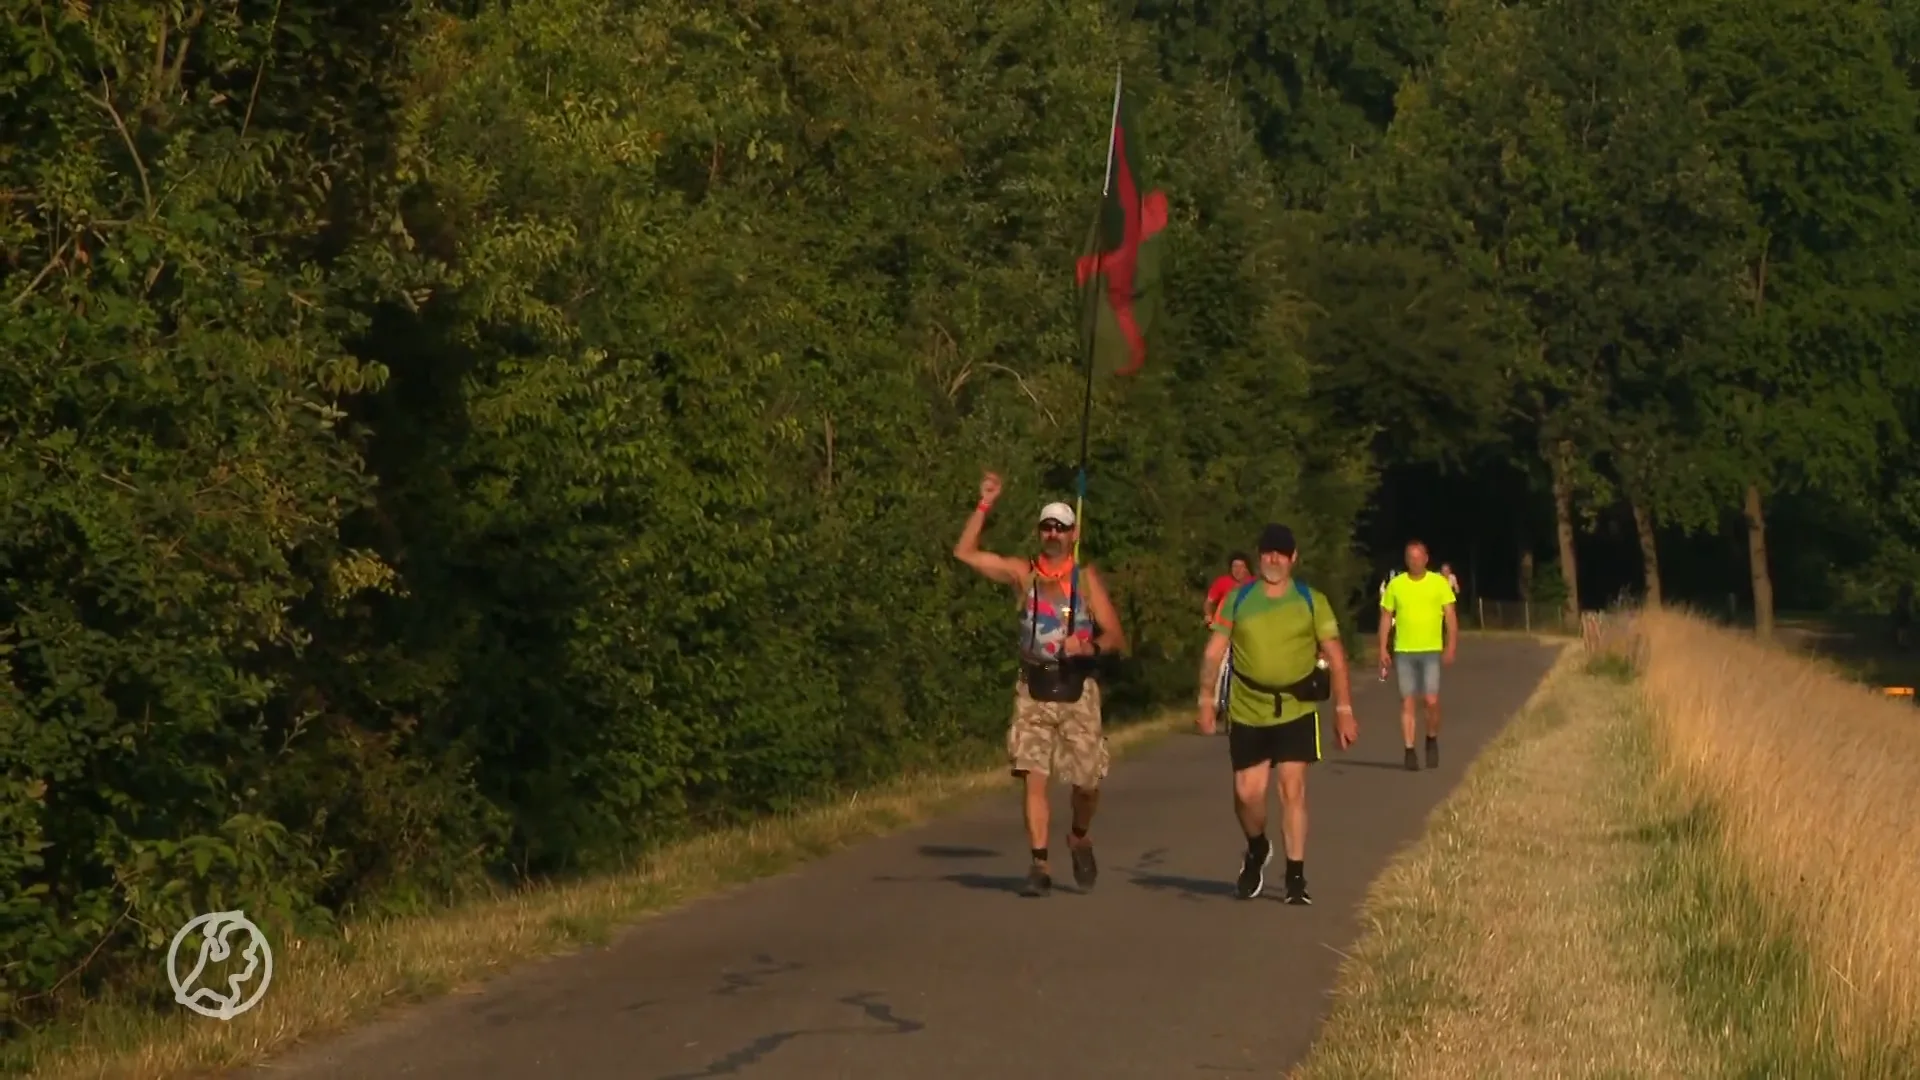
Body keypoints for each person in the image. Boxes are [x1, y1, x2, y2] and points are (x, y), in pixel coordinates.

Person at [954, 470, 1127, 898]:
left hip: (1077, 690)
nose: (1053, 534)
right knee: (1034, 774)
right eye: (1047, 526)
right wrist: (985, 503)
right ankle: (1039, 864)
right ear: (1039, 532)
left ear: (1073, 534)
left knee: (1087, 783)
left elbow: (1116, 636)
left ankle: (1079, 836)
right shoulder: (1022, 573)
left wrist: (1088, 647)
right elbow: (965, 553)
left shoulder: (1085, 581)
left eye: (1061, 528)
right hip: (1033, 689)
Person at [1197, 523, 1358, 904]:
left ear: (1293, 558)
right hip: (1248, 707)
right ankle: (1256, 848)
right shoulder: (1238, 599)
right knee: (1247, 793)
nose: (1274, 559)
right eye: (1268, 551)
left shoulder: (1310, 600)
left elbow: (1335, 655)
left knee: (1292, 789)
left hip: (1296, 707)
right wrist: (1206, 699)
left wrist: (1344, 708)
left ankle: (1296, 877)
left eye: (1281, 553)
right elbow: (1213, 651)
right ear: (1259, 555)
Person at [1378, 540, 1458, 771]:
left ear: (1426, 558)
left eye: (1418, 557)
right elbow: (1386, 617)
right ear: (1406, 560)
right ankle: (1409, 750)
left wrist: (1451, 645)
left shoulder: (1438, 584)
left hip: (1431, 650)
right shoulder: (1396, 585)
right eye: (1410, 557)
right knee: (1407, 701)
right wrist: (1383, 647)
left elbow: (1450, 616)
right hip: (1404, 651)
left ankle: (1431, 738)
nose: (1414, 561)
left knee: (1431, 701)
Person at [1205, 553, 1255, 735]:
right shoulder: (1222, 583)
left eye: (1241, 567)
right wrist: (1208, 616)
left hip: (1247, 633)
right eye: (1234, 566)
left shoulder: (1255, 585)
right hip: (1225, 630)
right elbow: (1209, 602)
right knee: (1217, 668)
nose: (1237, 570)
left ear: (1247, 568)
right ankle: (1214, 707)